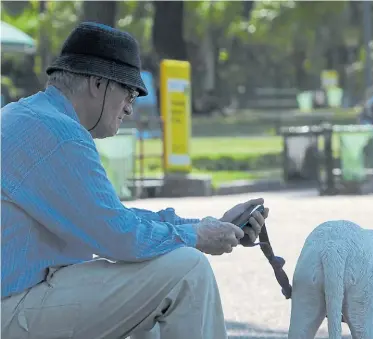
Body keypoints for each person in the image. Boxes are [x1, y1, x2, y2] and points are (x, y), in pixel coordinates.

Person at [1, 22, 269, 339]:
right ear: (97, 84)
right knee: (186, 270)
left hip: (20, 298)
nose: (130, 106)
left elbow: (113, 219)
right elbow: (119, 236)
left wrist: (205, 225)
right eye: (128, 91)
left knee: (158, 277)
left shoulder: (30, 117)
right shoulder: (60, 135)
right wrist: (197, 236)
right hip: (14, 310)